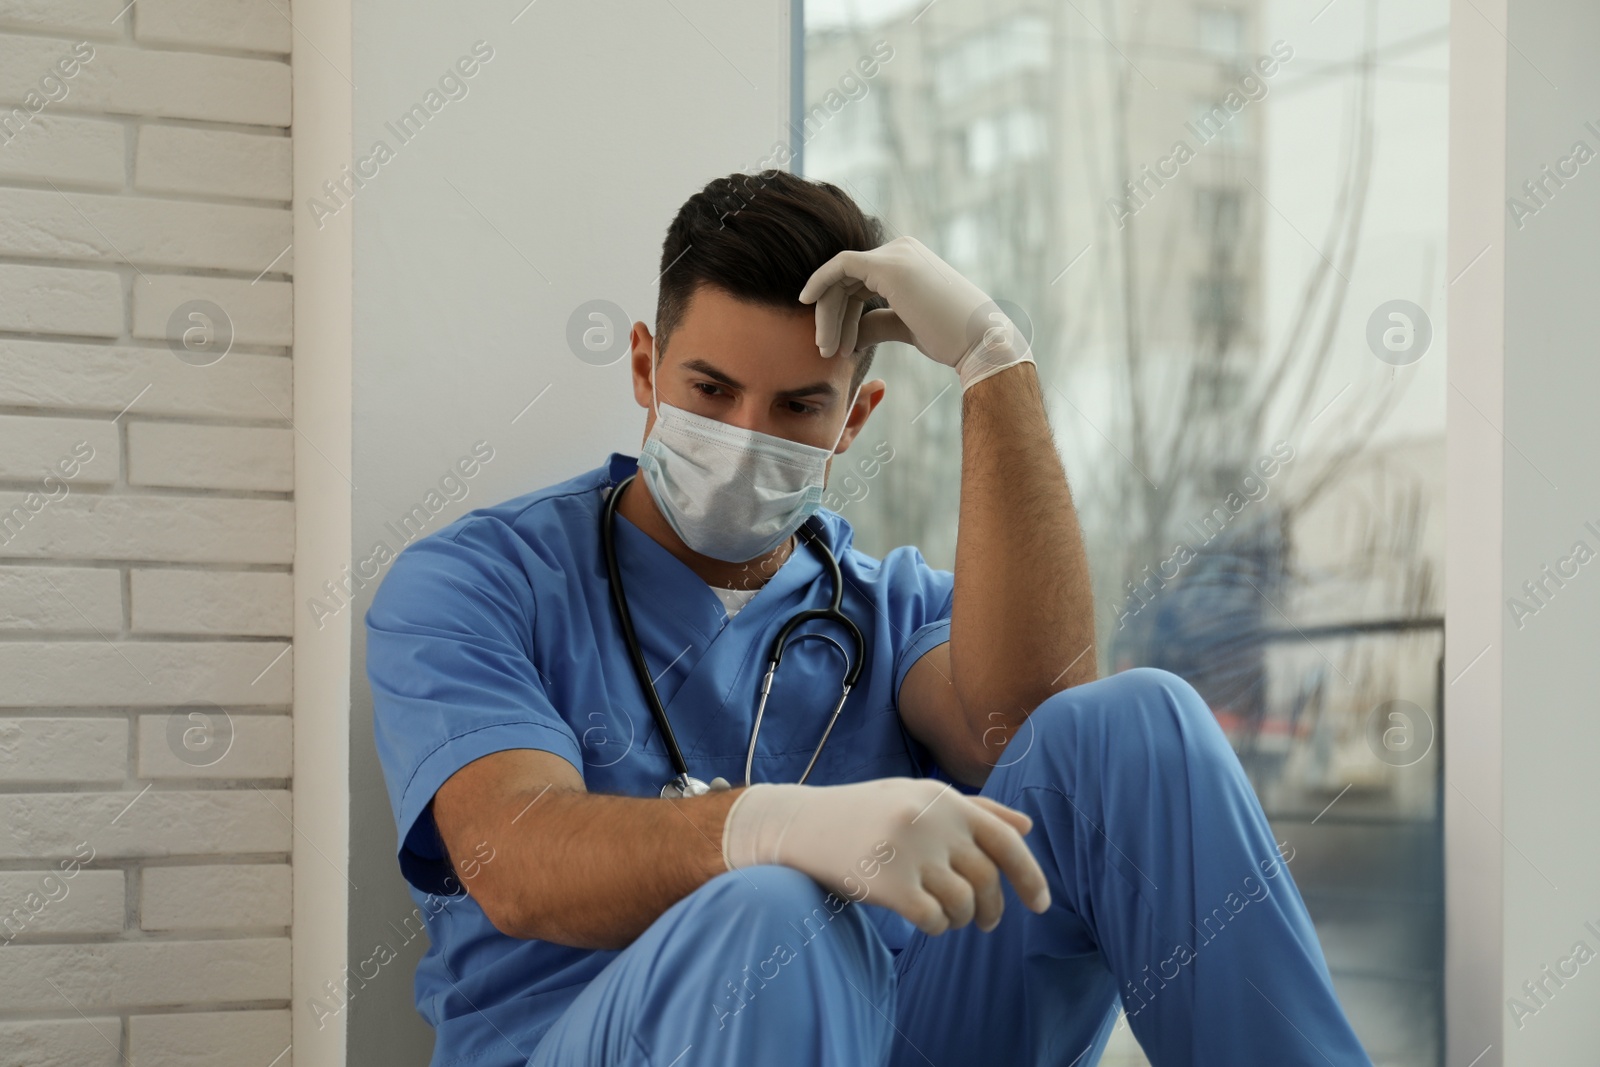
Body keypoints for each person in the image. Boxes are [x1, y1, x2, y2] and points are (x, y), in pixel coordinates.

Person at [365, 169, 1373, 1066]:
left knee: (1135, 723)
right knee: (771, 907)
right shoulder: (480, 580)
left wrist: (992, 358)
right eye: (710, 390)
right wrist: (776, 827)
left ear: (854, 419)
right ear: (644, 368)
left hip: (888, 1028)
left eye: (799, 406)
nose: (743, 436)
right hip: (593, 1035)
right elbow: (515, 861)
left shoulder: (884, 606)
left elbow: (1028, 725)